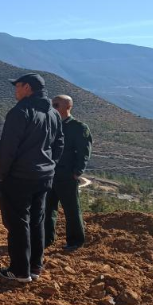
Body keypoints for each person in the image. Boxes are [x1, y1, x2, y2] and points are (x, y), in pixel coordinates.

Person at [0, 73, 64, 283]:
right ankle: (35, 267)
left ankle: (19, 271)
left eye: (17, 86)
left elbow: (8, 148)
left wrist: (3, 175)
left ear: (27, 88)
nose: (15, 90)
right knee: (37, 221)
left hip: (19, 177)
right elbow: (59, 143)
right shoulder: (53, 113)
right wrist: (50, 165)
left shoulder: (20, 111)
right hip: (44, 177)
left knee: (18, 223)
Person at [45, 94, 92, 252]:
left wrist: (77, 172)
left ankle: (75, 241)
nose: (53, 108)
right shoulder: (51, 124)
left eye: (56, 105)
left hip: (67, 176)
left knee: (71, 210)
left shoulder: (79, 127)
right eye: (52, 104)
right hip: (50, 174)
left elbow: (84, 153)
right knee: (47, 208)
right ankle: (46, 238)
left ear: (68, 107)